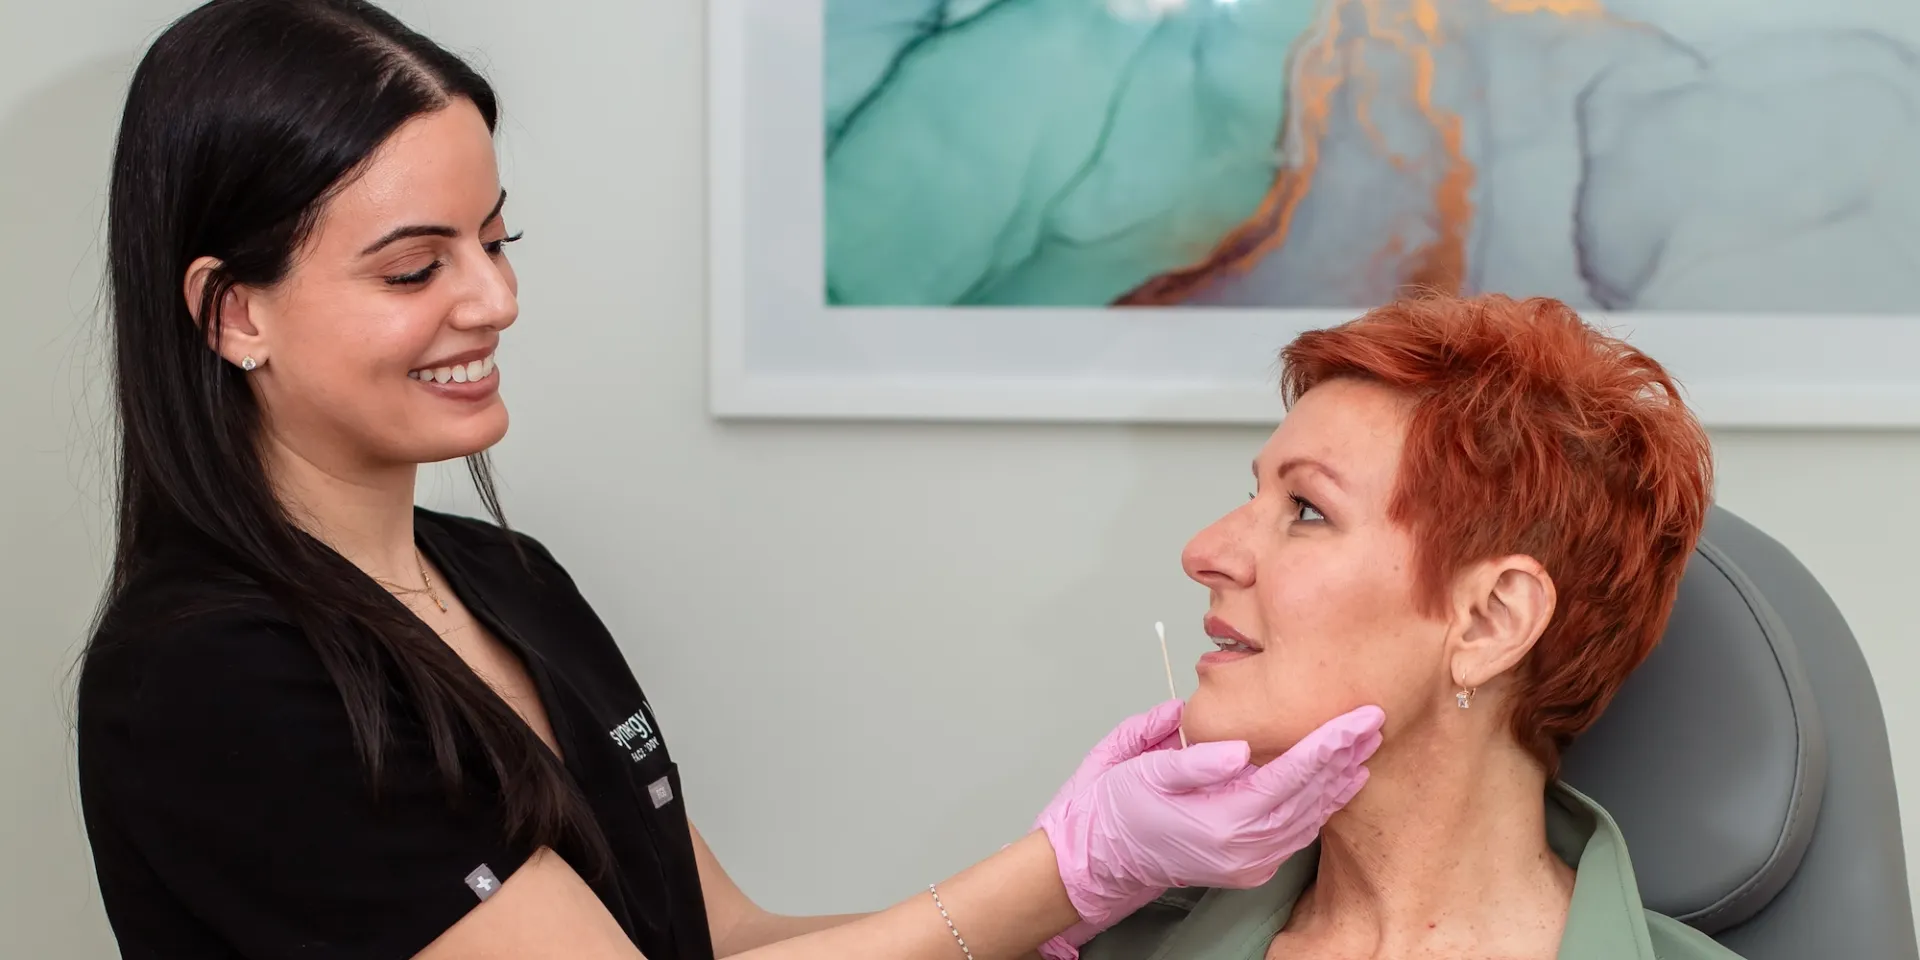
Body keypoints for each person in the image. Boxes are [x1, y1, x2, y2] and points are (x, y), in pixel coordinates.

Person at [72, 2, 1389, 959]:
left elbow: (723, 944)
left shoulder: (505, 579)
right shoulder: (209, 682)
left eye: (496, 238)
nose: (496, 299)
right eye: (417, 269)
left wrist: (1085, 904)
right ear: (234, 312)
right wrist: (1063, 868)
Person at [1077, 293, 1743, 960]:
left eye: (1306, 509)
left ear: (1490, 621)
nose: (1204, 552)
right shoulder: (1100, 941)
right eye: (1256, 497)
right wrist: (1059, 877)